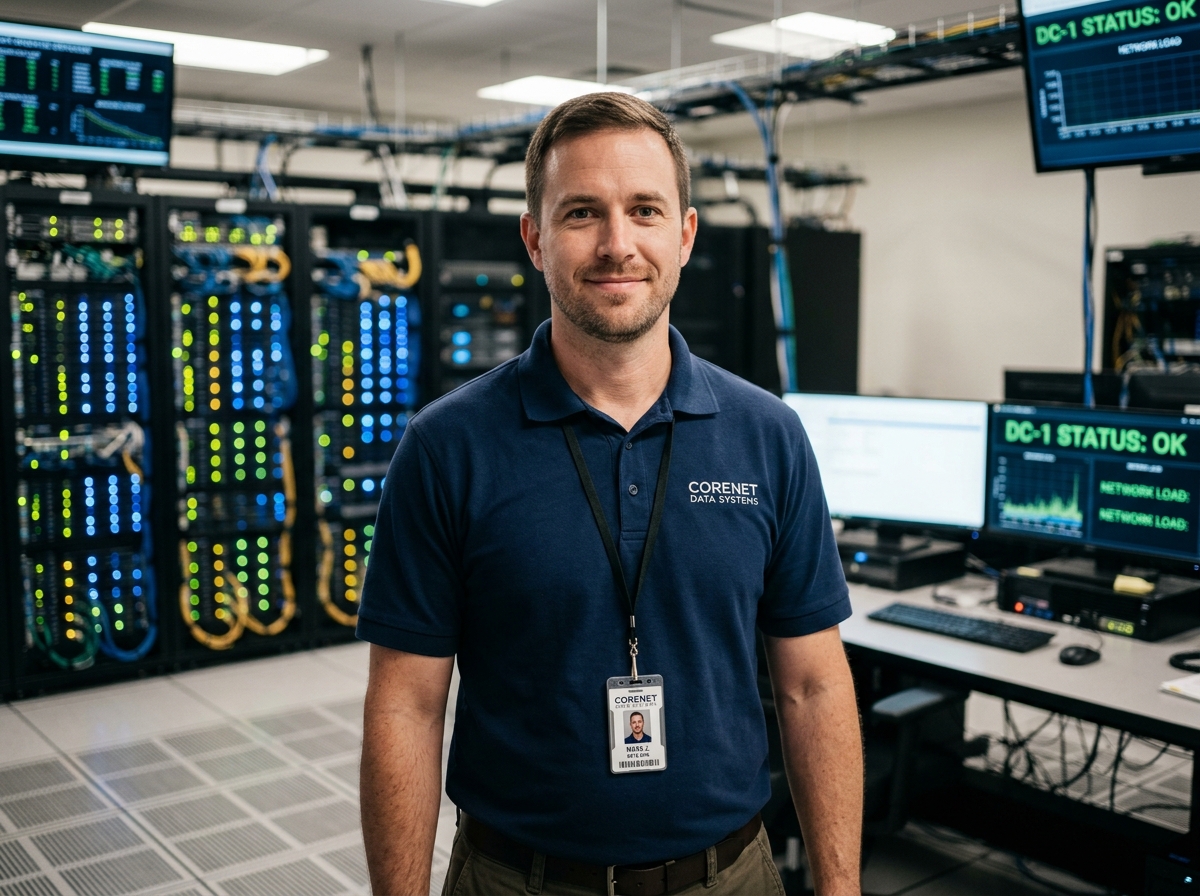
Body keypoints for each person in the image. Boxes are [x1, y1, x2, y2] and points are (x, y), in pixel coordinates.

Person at [358, 91, 863, 896]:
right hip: (514, 878)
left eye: (646, 210)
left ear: (685, 235)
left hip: (729, 876)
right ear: (534, 238)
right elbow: (406, 708)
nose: (617, 244)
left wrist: (842, 889)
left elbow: (813, 685)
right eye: (583, 213)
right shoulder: (447, 446)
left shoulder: (769, 436)